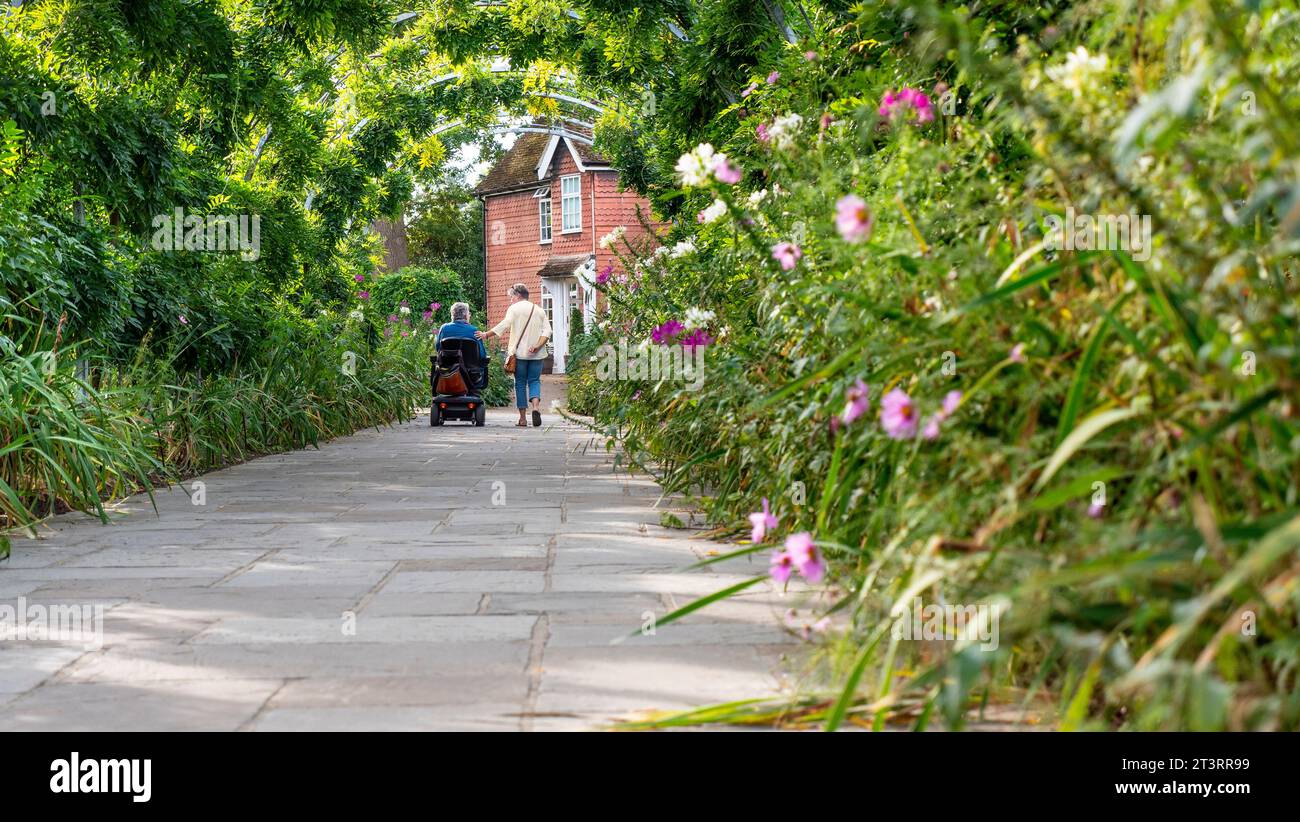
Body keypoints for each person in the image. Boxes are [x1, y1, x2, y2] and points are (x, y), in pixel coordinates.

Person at [476, 283, 551, 427]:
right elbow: (547, 332)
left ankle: (523, 419)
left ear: (518, 296)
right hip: (537, 354)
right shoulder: (539, 310)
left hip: (519, 355)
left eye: (511, 297)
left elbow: (504, 325)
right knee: (534, 381)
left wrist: (486, 334)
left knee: (520, 383)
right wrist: (536, 346)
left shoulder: (514, 309)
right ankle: (535, 408)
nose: (511, 300)